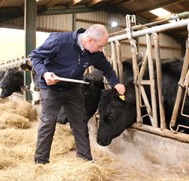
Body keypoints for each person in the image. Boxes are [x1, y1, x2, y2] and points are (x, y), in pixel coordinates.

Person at [30, 24, 125, 164]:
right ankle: (41, 162)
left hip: (73, 90)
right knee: (48, 123)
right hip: (51, 89)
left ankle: (85, 161)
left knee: (80, 123)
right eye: (100, 46)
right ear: (90, 40)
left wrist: (116, 83)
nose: (102, 49)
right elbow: (35, 56)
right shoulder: (59, 41)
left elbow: (107, 69)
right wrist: (44, 74)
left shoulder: (95, 53)